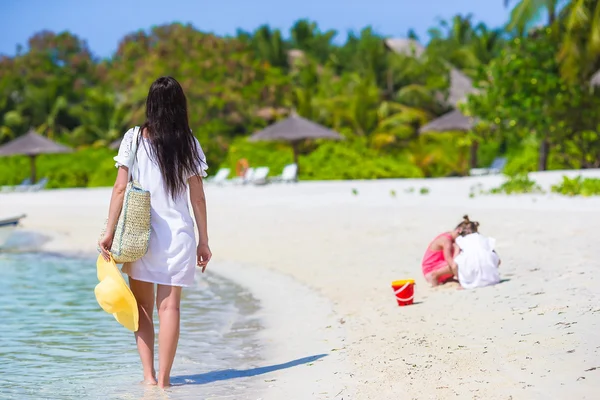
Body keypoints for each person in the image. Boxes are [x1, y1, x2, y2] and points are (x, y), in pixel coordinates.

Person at [98, 76, 211, 388]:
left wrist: (108, 232)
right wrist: (204, 240)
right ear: (180, 106)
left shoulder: (133, 138)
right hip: (180, 236)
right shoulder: (188, 142)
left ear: (150, 105)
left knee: (143, 309)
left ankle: (147, 377)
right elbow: (197, 197)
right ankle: (164, 380)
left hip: (140, 236)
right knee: (170, 307)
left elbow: (120, 188)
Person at [421, 215, 474, 286]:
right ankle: (435, 276)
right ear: (458, 231)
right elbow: (451, 262)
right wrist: (462, 281)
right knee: (459, 262)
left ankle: (445, 276)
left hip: (439, 265)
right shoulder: (446, 241)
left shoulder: (451, 239)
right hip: (430, 271)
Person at [454, 220, 501, 289]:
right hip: (493, 279)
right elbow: (499, 261)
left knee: (460, 260)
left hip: (470, 284)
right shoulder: (485, 239)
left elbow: (454, 265)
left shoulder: (460, 240)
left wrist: (460, 281)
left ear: (459, 231)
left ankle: (469, 280)